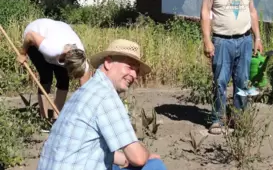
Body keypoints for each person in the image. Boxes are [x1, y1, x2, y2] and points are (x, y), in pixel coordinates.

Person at [36, 39, 167, 170]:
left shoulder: (83, 92)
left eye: (136, 71)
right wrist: (147, 154)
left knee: (114, 164)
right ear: (108, 63)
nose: (134, 75)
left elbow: (91, 148)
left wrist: (127, 159)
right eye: (130, 67)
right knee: (154, 166)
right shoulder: (105, 95)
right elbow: (138, 158)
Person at [200, 0, 263, 135]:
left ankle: (238, 118)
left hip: (244, 40)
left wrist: (257, 37)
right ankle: (217, 119)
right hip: (222, 41)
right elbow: (205, 12)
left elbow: (252, 11)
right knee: (220, 81)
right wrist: (206, 40)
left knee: (243, 81)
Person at [17, 18, 91, 123]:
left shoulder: (80, 60)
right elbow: (30, 35)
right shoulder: (51, 49)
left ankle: (57, 117)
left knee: (64, 79)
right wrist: (22, 54)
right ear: (66, 61)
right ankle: (45, 118)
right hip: (35, 34)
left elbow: (86, 89)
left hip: (59, 30)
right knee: (46, 76)